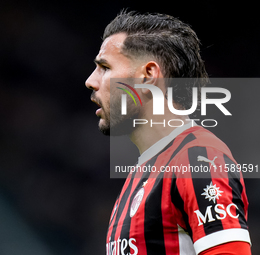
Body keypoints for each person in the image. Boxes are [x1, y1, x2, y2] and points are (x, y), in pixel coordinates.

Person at [85, 11, 251, 255]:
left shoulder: (198, 158)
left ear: (148, 75)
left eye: (105, 67)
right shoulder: (142, 173)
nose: (91, 81)